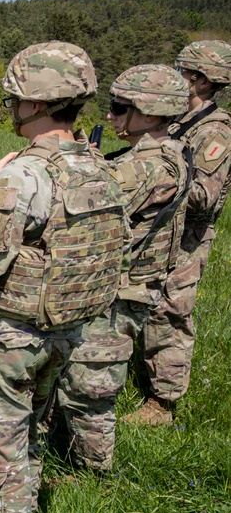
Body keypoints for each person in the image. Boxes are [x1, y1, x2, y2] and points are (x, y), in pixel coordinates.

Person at [0, 42, 126, 513]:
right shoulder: (98, 168)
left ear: (32, 104)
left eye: (14, 99)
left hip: (12, 338)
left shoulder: (21, 175)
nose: (10, 107)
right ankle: (24, 511)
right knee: (29, 433)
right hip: (68, 332)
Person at [54, 65, 190, 471]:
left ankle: (90, 474)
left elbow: (91, 201)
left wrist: (74, 158)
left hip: (121, 292)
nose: (110, 117)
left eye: (119, 108)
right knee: (75, 377)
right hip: (118, 287)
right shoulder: (158, 154)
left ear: (149, 114)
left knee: (90, 387)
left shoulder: (152, 165)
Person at [129, 41, 231, 425]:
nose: (173, 79)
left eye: (181, 73)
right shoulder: (175, 122)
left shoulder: (215, 131)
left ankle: (163, 403)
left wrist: (157, 179)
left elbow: (205, 195)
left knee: (170, 311)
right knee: (143, 302)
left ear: (202, 81)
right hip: (157, 229)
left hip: (187, 237)